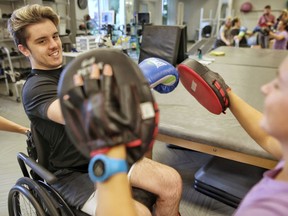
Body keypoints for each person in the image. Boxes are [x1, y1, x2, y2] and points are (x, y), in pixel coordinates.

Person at [7, 4, 182, 216]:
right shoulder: (35, 88)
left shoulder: (71, 71)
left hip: (102, 152)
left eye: (55, 36)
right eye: (42, 41)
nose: (54, 45)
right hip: (71, 173)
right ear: (24, 49)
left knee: (172, 182)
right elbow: (73, 113)